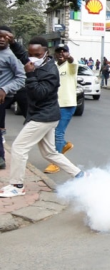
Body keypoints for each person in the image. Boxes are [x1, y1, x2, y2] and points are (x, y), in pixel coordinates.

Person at [0, 37, 87, 198]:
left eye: (37, 54)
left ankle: (16, 185)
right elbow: (22, 56)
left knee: (19, 148)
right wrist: (12, 43)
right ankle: (80, 175)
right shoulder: (37, 62)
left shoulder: (50, 71)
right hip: (44, 115)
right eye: (30, 53)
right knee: (50, 153)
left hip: (43, 117)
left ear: (45, 53)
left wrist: (30, 74)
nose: (32, 57)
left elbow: (39, 93)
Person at [43, 44, 78, 174]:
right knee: (49, 132)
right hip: (53, 104)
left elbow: (72, 62)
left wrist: (69, 57)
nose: (61, 54)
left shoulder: (71, 66)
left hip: (67, 104)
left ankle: (55, 163)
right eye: (58, 51)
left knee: (58, 133)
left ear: (68, 53)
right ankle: (63, 145)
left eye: (64, 52)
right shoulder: (54, 67)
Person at [0, 26, 26, 168]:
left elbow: (21, 78)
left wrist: (5, 89)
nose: (2, 39)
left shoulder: (11, 56)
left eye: (5, 37)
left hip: (4, 96)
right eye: (0, 36)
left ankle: (1, 158)